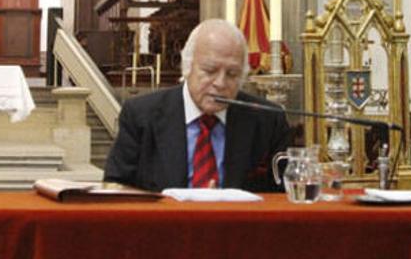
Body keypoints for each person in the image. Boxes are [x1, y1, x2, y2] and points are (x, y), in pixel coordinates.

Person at [104, 19, 293, 192]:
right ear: (187, 67)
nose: (220, 83)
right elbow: (114, 186)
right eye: (210, 71)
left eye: (232, 74)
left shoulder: (268, 119)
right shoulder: (141, 115)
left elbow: (286, 193)